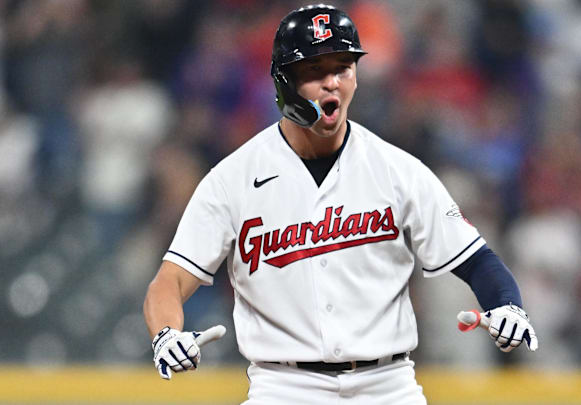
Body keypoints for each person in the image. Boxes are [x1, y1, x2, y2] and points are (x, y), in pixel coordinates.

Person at [143, 4, 538, 404]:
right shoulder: (233, 179)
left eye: (342, 67)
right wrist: (166, 334)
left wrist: (507, 305)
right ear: (284, 82)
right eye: (315, 70)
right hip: (283, 388)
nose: (331, 82)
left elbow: (477, 260)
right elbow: (169, 282)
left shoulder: (398, 170)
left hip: (387, 386)